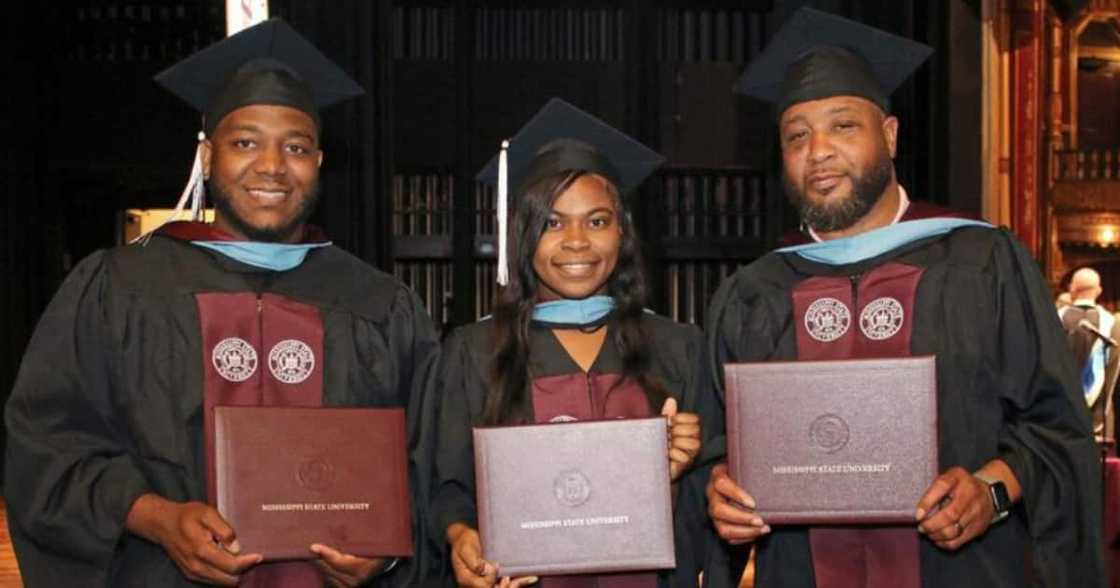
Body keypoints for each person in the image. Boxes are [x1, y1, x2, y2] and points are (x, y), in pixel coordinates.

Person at [5, 19, 441, 588]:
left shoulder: (381, 306)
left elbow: (432, 469)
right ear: (207, 157)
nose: (271, 166)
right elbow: (48, 448)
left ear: (319, 163)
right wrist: (154, 517)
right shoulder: (119, 289)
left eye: (297, 147)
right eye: (245, 143)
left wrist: (384, 553)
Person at [702, 8, 1103, 588]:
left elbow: (1057, 430)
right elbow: (720, 452)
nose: (818, 152)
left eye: (843, 126)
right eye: (796, 135)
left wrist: (992, 490)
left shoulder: (981, 263)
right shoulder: (752, 296)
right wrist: (720, 493)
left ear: (888, 136)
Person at [430, 98, 713, 588]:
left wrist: (684, 470)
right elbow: (448, 486)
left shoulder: (680, 348)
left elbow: (715, 519)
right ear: (522, 235)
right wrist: (461, 536)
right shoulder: (474, 351)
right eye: (553, 223)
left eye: (597, 221)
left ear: (622, 232)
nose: (577, 241)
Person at [1059, 267, 1120, 441]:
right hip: (1099, 424)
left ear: (1072, 288)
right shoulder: (1114, 326)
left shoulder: (1055, 319)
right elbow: (1113, 379)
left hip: (1061, 421)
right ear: (1099, 290)